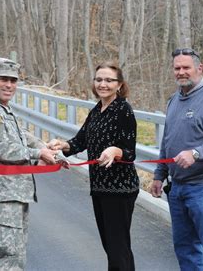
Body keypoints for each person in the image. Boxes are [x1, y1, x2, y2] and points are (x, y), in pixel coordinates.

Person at [150, 48, 203, 271]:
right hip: (177, 188)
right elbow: (167, 141)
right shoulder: (173, 101)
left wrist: (196, 153)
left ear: (199, 69)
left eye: (186, 67)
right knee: (185, 248)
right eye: (177, 68)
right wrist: (159, 175)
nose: (181, 72)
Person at [47, 62, 139, 271]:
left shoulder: (123, 109)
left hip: (120, 189)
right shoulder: (97, 109)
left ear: (119, 84)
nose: (103, 84)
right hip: (99, 187)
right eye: (99, 79)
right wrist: (63, 145)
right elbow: (80, 141)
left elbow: (129, 151)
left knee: (117, 248)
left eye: (109, 80)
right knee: (113, 246)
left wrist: (114, 151)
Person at [0, 57, 58, 271]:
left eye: (13, 80)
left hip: (16, 193)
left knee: (14, 257)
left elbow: (22, 136)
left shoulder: (4, 110)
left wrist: (46, 147)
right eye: (4, 79)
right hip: (3, 194)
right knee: (9, 258)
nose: (9, 85)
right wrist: (38, 153)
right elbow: (0, 148)